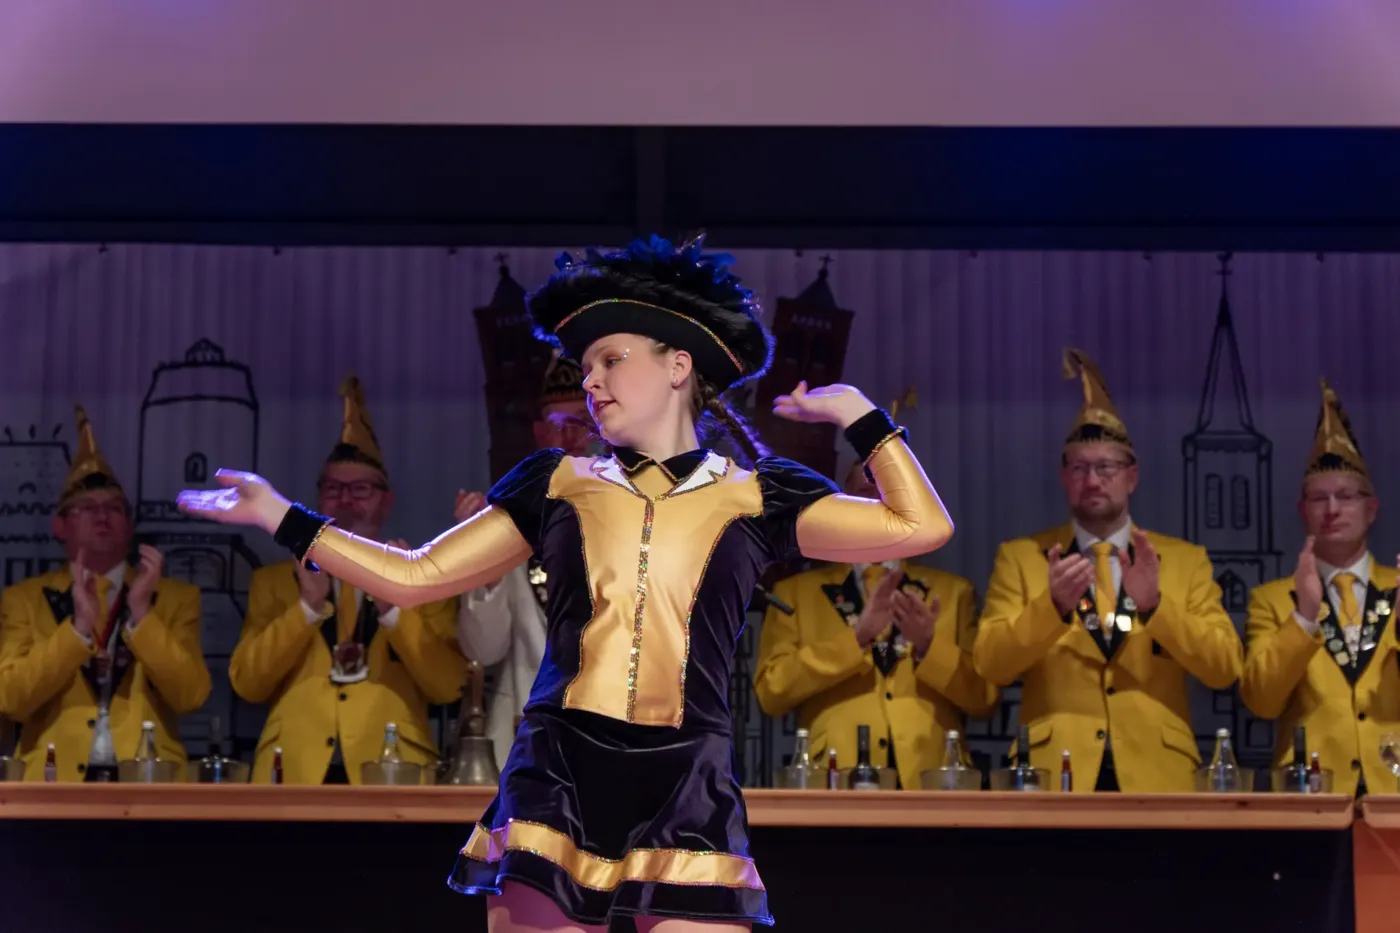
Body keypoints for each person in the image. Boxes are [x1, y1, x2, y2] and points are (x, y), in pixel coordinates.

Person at [178, 234, 953, 933]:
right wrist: (281, 515)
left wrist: (862, 418)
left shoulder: (758, 494)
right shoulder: (556, 483)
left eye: (611, 358)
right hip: (560, 771)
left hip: (689, 776)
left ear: (678, 364)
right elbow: (414, 577)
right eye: (586, 367)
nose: (591, 380)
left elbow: (921, 526)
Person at [973, 349, 1241, 792]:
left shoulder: (1183, 561)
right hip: (1056, 772)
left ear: (1131, 477)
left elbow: (1225, 667)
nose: (1093, 481)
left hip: (1158, 775)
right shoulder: (1022, 557)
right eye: (1080, 468)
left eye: (1106, 468)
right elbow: (990, 664)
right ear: (1064, 478)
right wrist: (1051, 608)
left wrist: (1156, 607)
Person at [228, 376, 466, 784]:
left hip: (392, 770)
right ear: (318, 498)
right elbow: (247, 685)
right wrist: (306, 609)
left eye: (361, 489)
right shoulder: (274, 581)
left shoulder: (423, 576)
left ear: (386, 501)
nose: (347, 500)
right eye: (334, 489)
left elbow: (448, 687)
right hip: (293, 771)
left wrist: (394, 608)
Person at [754, 460, 995, 790]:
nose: (877, 505)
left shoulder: (952, 593)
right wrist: (856, 639)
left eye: (888, 495)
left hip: (932, 780)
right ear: (844, 504)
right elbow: (771, 693)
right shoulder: (795, 594)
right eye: (865, 495)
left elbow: (984, 699)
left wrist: (929, 646)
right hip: (834, 780)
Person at [0, 405, 209, 780]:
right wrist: (77, 631)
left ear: (129, 525)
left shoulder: (174, 598)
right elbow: (11, 699)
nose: (102, 517)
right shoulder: (24, 600)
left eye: (114, 508)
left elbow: (191, 695)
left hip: (147, 778)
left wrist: (142, 616)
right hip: (54, 780)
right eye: (86, 508)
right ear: (60, 526)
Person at [1241, 380, 1397, 795]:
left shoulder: (1399, 588)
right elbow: (1261, 701)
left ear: (1371, 509)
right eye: (1318, 499)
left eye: (1346, 496)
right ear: (1302, 511)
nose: (1332, 509)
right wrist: (1304, 617)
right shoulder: (1273, 600)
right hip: (1310, 793)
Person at [453, 350, 592, 767]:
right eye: (560, 425)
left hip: (611, 742)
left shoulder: (642, 520)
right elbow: (483, 651)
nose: (573, 439)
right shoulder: (513, 520)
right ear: (540, 434)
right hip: (523, 743)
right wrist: (484, 564)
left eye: (585, 423)